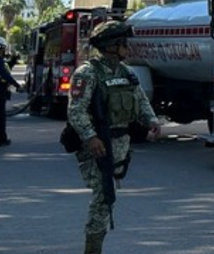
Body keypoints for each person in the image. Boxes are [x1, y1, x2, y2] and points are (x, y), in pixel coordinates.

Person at [68, 19, 161, 254]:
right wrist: (90, 137)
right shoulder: (87, 73)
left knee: (108, 197)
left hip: (120, 145)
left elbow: (139, 99)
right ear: (112, 45)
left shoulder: (126, 72)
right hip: (98, 146)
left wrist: (151, 121)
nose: (127, 47)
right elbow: (75, 110)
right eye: (123, 43)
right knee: (103, 199)